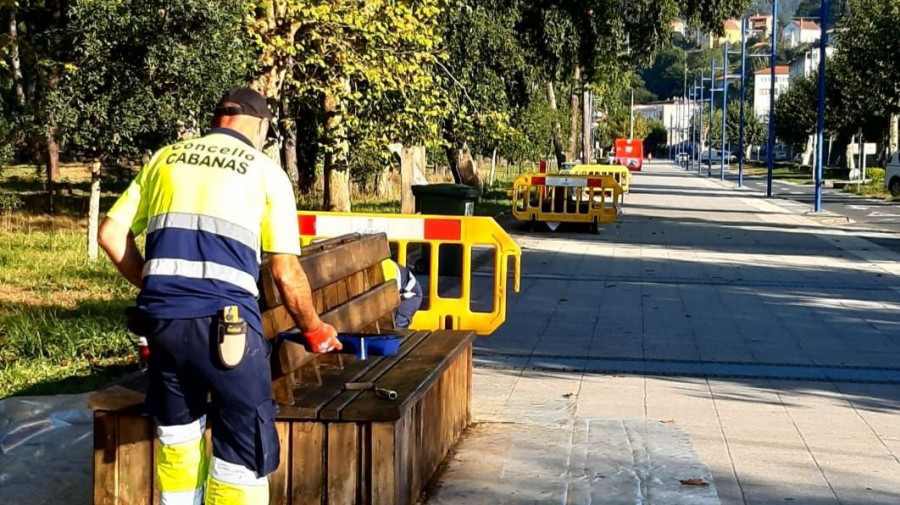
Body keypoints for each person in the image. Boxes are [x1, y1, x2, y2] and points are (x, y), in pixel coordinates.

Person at [98, 87, 342, 505]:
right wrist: (316, 330)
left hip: (163, 323)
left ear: (219, 119)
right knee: (242, 450)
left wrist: (157, 285)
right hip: (226, 329)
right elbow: (285, 272)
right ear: (261, 125)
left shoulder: (165, 159)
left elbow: (109, 233)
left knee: (179, 438)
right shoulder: (264, 171)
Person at [381, 259, 423, 329]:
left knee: (397, 325)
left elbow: (390, 297)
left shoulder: (387, 269)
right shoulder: (382, 263)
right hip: (398, 291)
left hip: (410, 296)